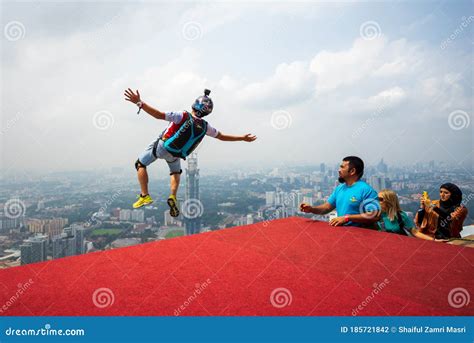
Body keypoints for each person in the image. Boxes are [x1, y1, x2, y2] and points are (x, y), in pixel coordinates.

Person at [124, 88, 257, 216]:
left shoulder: (182, 115)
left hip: (162, 147)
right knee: (175, 172)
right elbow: (222, 136)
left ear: (194, 105)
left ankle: (145, 195)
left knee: (140, 164)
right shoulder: (205, 126)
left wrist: (139, 103)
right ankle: (173, 196)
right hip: (176, 153)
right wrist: (242, 138)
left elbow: (158, 115)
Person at [300, 156, 380, 228]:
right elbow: (327, 207)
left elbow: (375, 215)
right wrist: (311, 209)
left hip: (361, 236)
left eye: (342, 167)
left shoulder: (366, 190)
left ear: (352, 171)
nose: (339, 170)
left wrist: (347, 218)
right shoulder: (340, 188)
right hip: (343, 234)